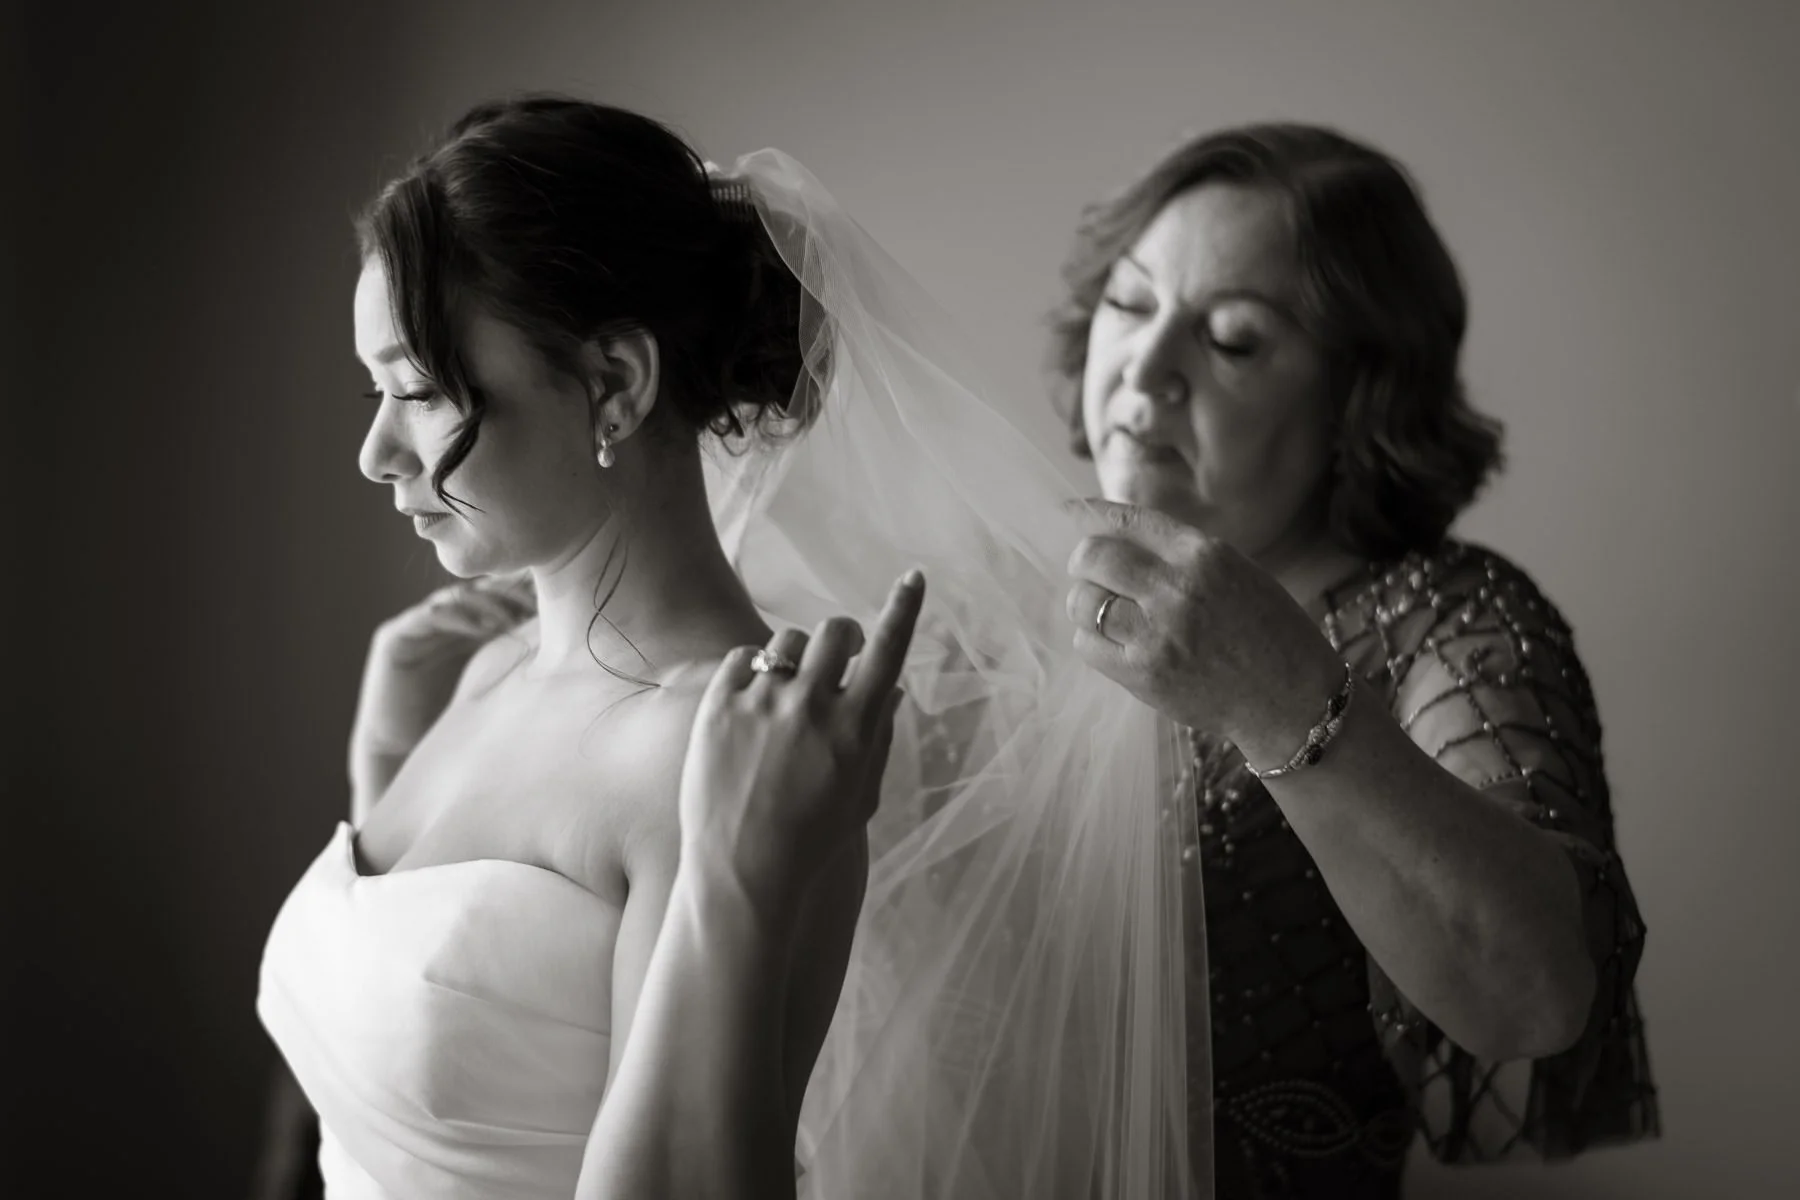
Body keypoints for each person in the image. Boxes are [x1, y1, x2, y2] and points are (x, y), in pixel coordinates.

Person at [259, 94, 1204, 1200]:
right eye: (379, 391)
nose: (376, 453)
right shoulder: (475, 675)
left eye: (418, 393)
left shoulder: (734, 754)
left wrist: (733, 879)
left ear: (615, 387)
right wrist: (381, 763)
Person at [1049, 123, 1659, 1197]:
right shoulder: (992, 589)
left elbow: (1532, 998)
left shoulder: (1452, 619)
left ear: (1354, 397)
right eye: (1131, 304)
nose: (1146, 368)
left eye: (1234, 340)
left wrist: (1277, 694)